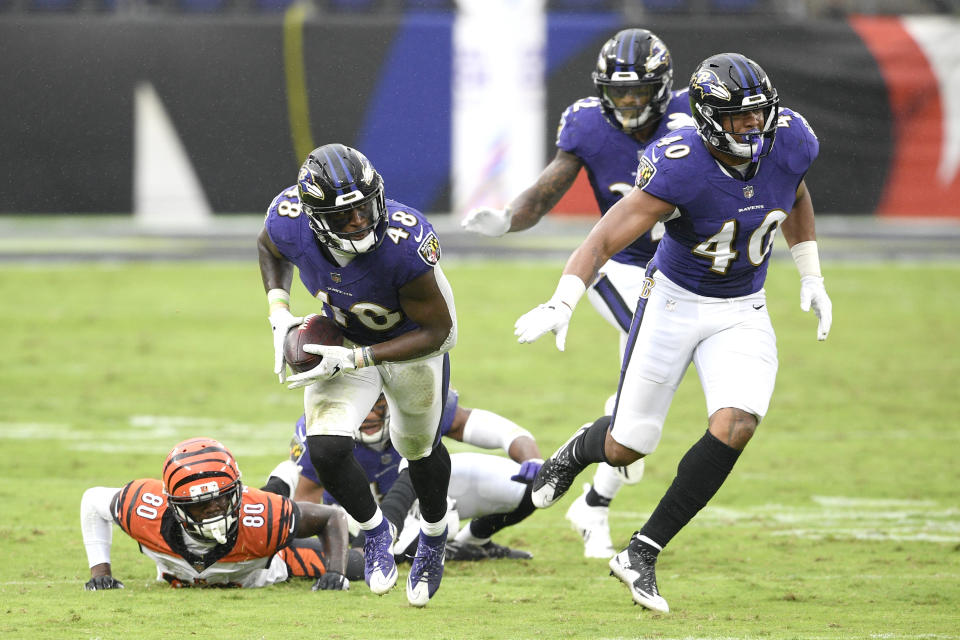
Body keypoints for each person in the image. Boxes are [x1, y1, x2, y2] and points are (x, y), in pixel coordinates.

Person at [514, 53, 832, 612]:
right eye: (738, 118)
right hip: (672, 302)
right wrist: (563, 300)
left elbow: (795, 192)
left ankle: (642, 552)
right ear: (709, 119)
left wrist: (810, 273)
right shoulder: (681, 163)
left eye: (758, 114)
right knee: (627, 446)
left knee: (737, 423)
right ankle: (579, 449)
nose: (752, 127)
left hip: (741, 306)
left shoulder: (792, 140)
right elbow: (602, 240)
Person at [461, 28, 689, 559]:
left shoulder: (691, 121)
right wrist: (508, 220)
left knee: (644, 396)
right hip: (619, 269)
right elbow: (546, 190)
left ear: (662, 87)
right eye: (619, 92)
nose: (629, 102)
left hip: (678, 270)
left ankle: (592, 503)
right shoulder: (588, 123)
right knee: (661, 360)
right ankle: (588, 475)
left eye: (638, 92)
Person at [257, 143, 458, 606]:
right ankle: (375, 531)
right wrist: (279, 313)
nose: (361, 222)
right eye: (345, 216)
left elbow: (439, 329)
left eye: (365, 208)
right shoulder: (289, 219)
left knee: (418, 448)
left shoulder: (406, 243)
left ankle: (433, 533)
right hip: (345, 334)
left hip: (414, 344)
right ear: (316, 218)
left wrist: (356, 360)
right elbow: (268, 246)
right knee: (325, 446)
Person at [271, 388, 543, 561]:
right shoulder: (322, 426)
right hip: (354, 519)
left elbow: (495, 429)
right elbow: (305, 504)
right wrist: (339, 544)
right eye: (360, 405)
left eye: (376, 404)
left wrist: (531, 456)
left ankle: (473, 542)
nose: (368, 415)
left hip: (416, 502)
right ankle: (425, 546)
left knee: (534, 486)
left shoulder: (414, 403)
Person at [80, 437, 351, 591]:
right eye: (200, 504)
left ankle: (288, 473)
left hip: (271, 560)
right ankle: (283, 476)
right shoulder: (144, 509)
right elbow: (92, 501)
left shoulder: (264, 518)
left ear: (236, 491)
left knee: (363, 563)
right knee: (274, 499)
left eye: (222, 498)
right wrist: (100, 573)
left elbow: (331, 517)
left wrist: (336, 572)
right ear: (174, 504)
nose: (214, 508)